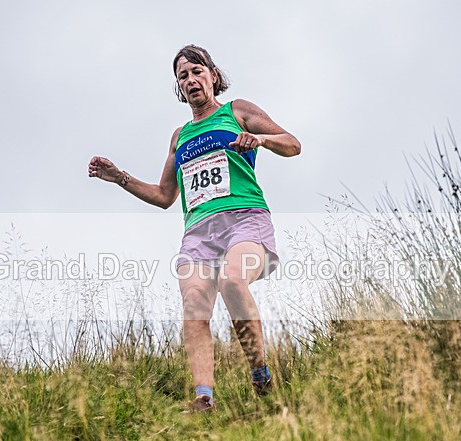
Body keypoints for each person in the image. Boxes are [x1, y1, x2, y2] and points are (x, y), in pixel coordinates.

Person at [88, 45, 301, 412]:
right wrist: (119, 177)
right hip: (198, 233)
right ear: (179, 87)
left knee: (233, 280)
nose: (191, 80)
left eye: (197, 71)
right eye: (183, 76)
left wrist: (261, 139)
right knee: (194, 302)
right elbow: (164, 195)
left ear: (213, 76)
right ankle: (205, 398)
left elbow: (293, 145)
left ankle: (261, 375)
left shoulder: (238, 111)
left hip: (244, 219)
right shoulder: (179, 136)